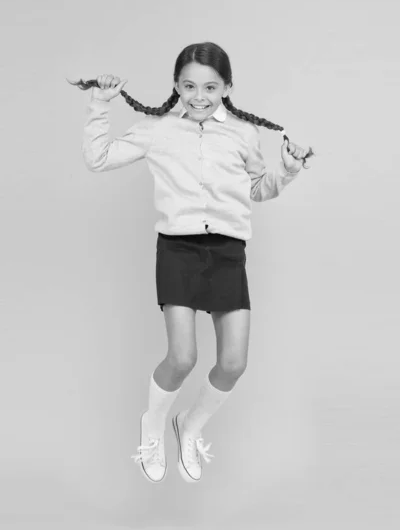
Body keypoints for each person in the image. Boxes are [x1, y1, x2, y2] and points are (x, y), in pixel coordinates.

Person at [69, 41, 314, 485]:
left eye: (210, 87)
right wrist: (100, 104)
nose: (199, 96)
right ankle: (153, 426)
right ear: (176, 86)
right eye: (188, 86)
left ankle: (190, 425)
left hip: (227, 252)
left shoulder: (243, 134)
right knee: (182, 357)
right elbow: (98, 158)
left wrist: (288, 170)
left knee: (234, 363)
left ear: (228, 87)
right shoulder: (158, 129)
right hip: (179, 250)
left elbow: (257, 189)